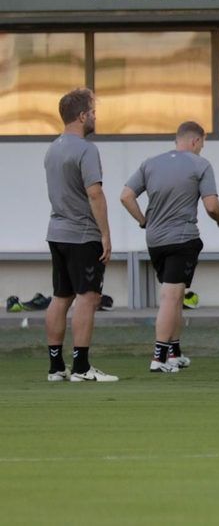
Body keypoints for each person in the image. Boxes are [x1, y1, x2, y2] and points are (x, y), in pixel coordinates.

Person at [120, 121, 219, 373]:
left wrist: (143, 221)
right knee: (171, 297)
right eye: (202, 145)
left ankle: (174, 353)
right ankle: (159, 358)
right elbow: (212, 206)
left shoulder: (151, 163)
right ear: (196, 141)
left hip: (155, 240)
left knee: (175, 296)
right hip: (182, 239)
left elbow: (126, 195)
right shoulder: (200, 164)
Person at [43, 89, 115, 383]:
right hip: (83, 235)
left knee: (61, 297)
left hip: (57, 233)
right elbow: (95, 194)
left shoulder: (53, 148)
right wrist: (106, 235)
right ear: (82, 116)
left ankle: (56, 367)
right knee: (88, 297)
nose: (96, 117)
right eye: (93, 112)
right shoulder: (86, 149)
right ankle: (82, 368)